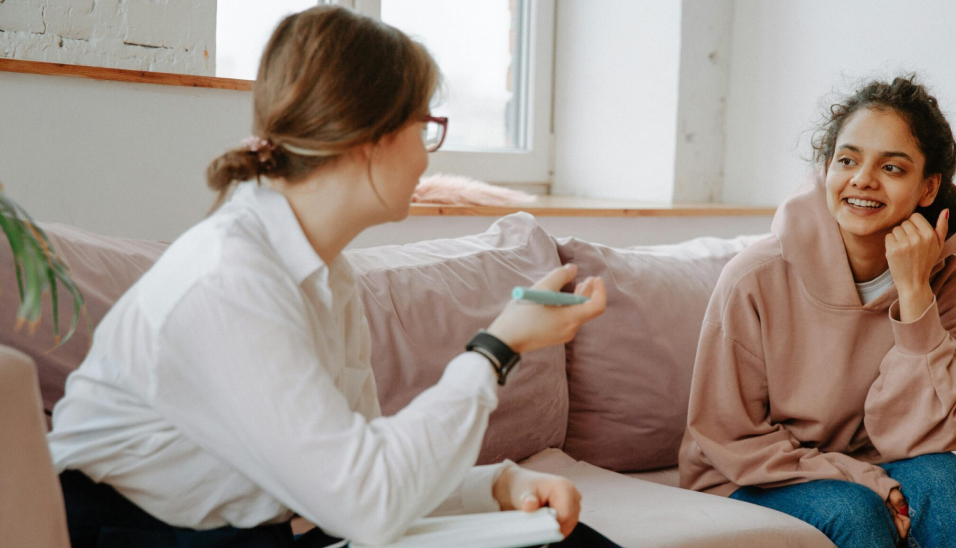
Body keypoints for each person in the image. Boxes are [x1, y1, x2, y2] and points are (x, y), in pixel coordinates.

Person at [48, 6, 620, 548]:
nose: (426, 158)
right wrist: (496, 347)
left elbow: (362, 467)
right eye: (424, 128)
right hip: (138, 537)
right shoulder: (232, 280)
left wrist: (497, 486)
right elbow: (364, 500)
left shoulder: (326, 274)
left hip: (267, 531)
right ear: (367, 139)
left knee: (559, 537)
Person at [679, 75, 956, 548]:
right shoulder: (754, 277)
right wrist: (864, 478)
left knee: (947, 482)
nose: (862, 179)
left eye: (892, 168)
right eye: (847, 160)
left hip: (880, 458)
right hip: (750, 475)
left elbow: (940, 432)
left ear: (929, 187)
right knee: (857, 512)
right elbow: (730, 436)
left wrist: (914, 298)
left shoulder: (953, 284)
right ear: (827, 168)